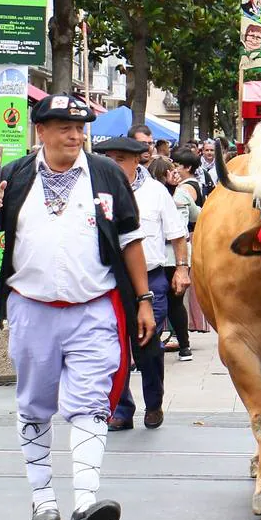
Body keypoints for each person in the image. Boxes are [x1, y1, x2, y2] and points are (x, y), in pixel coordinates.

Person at [0, 94, 155, 520]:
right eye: (63, 127)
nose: (74, 134)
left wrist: (143, 298)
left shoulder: (105, 174)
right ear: (41, 131)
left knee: (90, 403)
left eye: (80, 127)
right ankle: (43, 497)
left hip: (94, 308)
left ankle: (86, 503)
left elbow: (130, 239)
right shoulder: (13, 176)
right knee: (35, 403)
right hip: (32, 309)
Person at [97, 138, 189, 432]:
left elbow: (177, 234)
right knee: (114, 346)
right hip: (110, 280)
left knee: (147, 344)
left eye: (121, 158)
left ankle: (154, 403)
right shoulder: (96, 192)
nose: (114, 164)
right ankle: (121, 407)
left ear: (137, 160)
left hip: (151, 278)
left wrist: (182, 269)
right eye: (109, 158)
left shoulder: (156, 192)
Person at [165, 147, 202, 359]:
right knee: (176, 301)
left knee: (168, 300)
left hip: (169, 253)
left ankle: (176, 338)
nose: (175, 170)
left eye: (177, 165)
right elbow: (198, 214)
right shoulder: (184, 191)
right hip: (182, 251)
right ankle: (183, 344)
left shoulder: (181, 191)